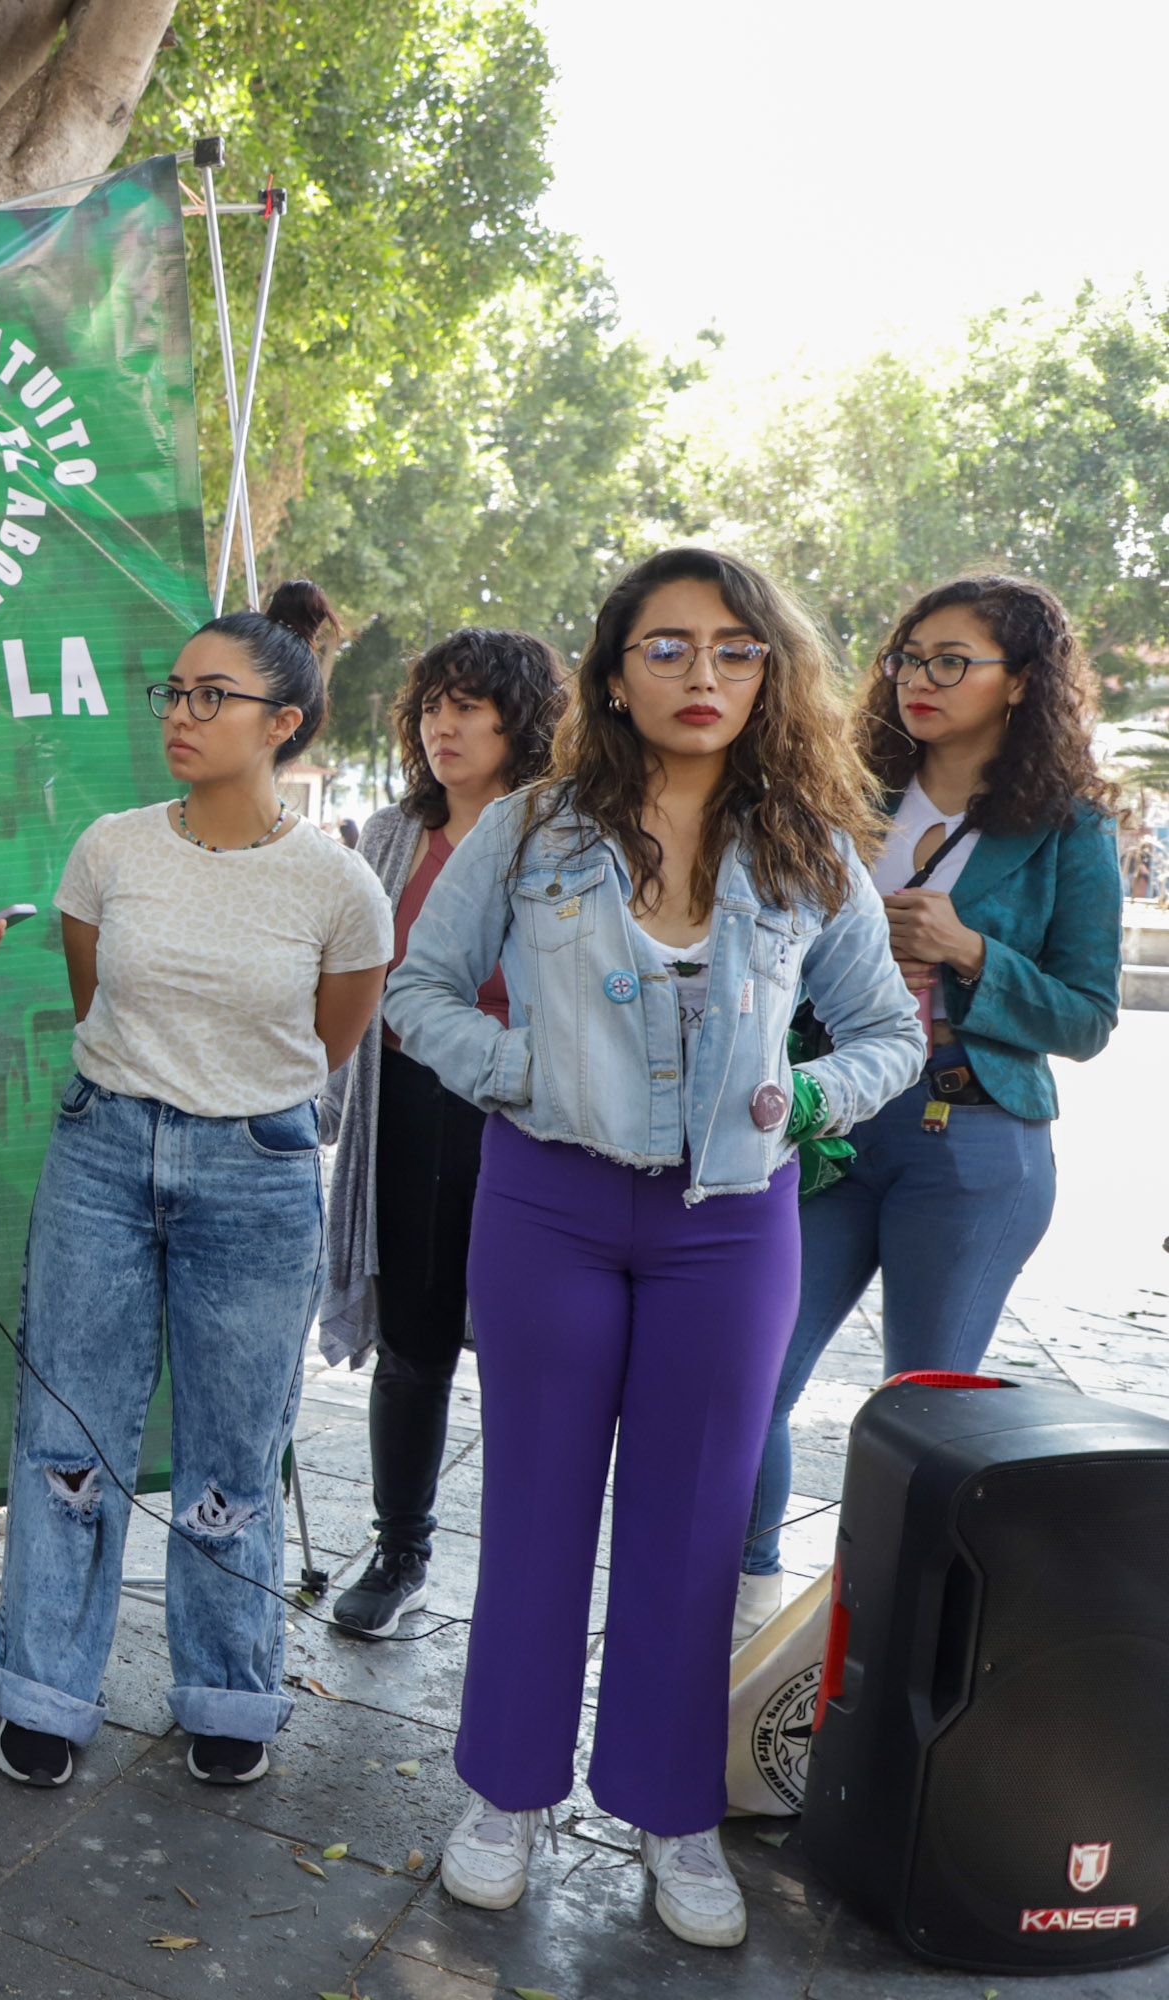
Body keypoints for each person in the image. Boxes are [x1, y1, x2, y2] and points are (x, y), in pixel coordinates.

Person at [387, 547, 923, 1949]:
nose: (703, 674)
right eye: (669, 646)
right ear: (615, 671)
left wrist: (810, 1097)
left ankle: (673, 1814)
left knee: (693, 1532)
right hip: (547, 1206)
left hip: (731, 1227)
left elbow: (889, 1035)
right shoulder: (530, 828)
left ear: (772, 675)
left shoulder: (810, 847)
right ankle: (503, 1794)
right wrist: (521, 1075)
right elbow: (417, 993)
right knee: (538, 1510)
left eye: (736, 649)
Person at [0, 580, 390, 1795]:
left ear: (285, 720)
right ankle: (45, 1691)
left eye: (214, 695)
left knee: (236, 1441)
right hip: (104, 1150)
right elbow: (98, 997)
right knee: (69, 1429)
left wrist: (223, 1099)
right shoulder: (111, 847)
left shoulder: (338, 884)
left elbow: (328, 1045)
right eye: (174, 690)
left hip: (256, 1173)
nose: (181, 711)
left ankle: (227, 1688)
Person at [737, 576, 1122, 1637]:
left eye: (953, 660)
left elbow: (1088, 1017)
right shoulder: (845, 795)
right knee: (746, 1378)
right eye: (909, 656)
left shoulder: (1067, 828)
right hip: (824, 1123)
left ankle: (888, 1659)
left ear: (1022, 683)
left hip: (972, 1141)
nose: (919, 678)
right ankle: (739, 1622)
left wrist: (969, 953)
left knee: (921, 1420)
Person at [321, 630, 569, 1639]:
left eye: (470, 704)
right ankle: (400, 1547)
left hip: (525, 1117)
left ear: (522, 719)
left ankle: (530, 1566)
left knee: (533, 1355)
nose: (444, 724)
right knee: (414, 1347)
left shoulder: (562, 834)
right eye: (431, 704)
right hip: (406, 1109)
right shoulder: (391, 833)